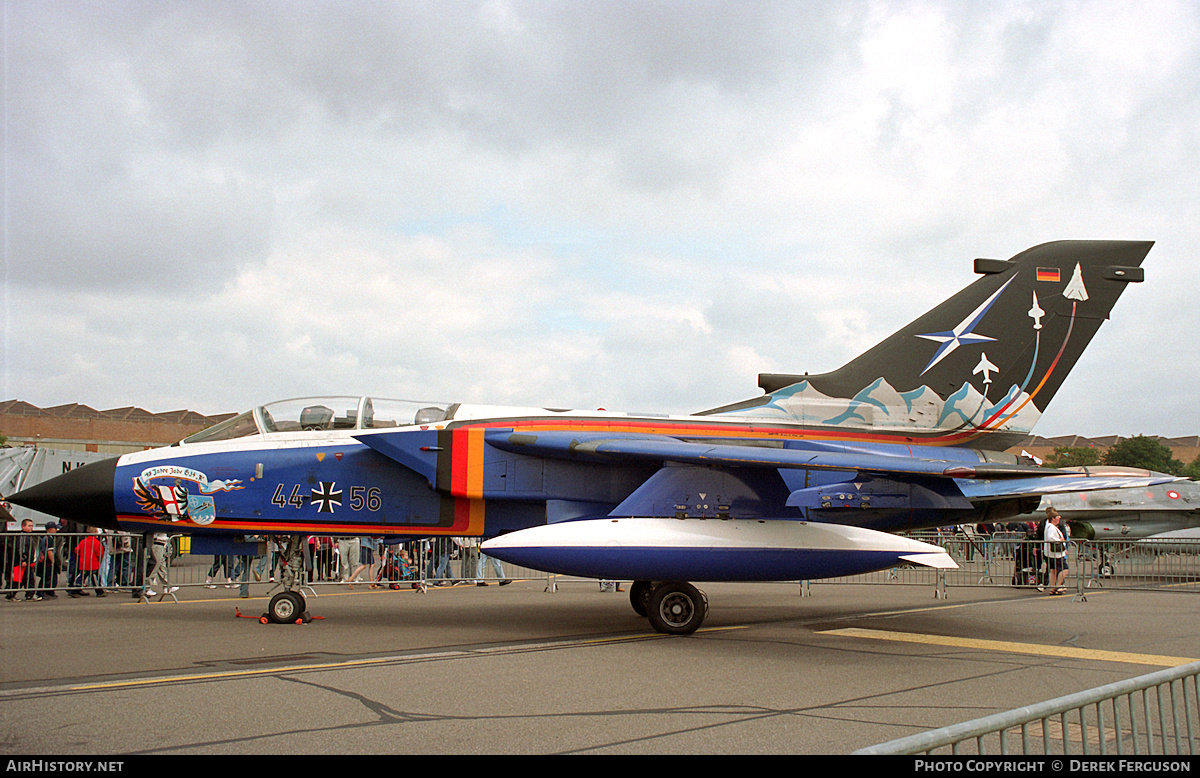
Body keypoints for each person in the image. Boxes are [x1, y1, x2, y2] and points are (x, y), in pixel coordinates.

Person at [5, 518, 39, 601]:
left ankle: (30, 594)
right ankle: (10, 595)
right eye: (29, 526)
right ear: (23, 527)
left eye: (32, 526)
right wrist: (23, 560)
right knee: (18, 580)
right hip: (22, 562)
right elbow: (21, 549)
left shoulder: (27, 536)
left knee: (29, 579)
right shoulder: (22, 536)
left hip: (28, 562)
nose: (31, 528)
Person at [71, 527, 107, 598]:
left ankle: (74, 590)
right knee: (95, 579)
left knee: (81, 577)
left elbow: (77, 550)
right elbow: (100, 554)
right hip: (93, 564)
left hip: (83, 563)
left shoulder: (83, 541)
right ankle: (99, 591)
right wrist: (100, 560)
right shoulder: (96, 542)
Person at [1043, 507, 1069, 595]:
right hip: (1055, 553)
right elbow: (1051, 538)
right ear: (1053, 519)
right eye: (1057, 517)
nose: (1059, 519)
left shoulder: (1049, 526)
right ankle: (1058, 586)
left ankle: (1053, 588)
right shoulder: (1051, 528)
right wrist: (1060, 540)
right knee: (1065, 569)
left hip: (1050, 553)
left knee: (1053, 570)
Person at [36, 522, 61, 598]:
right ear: (50, 529)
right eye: (55, 528)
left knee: (51, 577)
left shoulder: (49, 538)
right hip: (47, 561)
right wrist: (53, 561)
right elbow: (49, 551)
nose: (56, 530)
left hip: (47, 561)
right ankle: (41, 592)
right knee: (47, 577)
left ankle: (50, 591)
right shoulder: (48, 539)